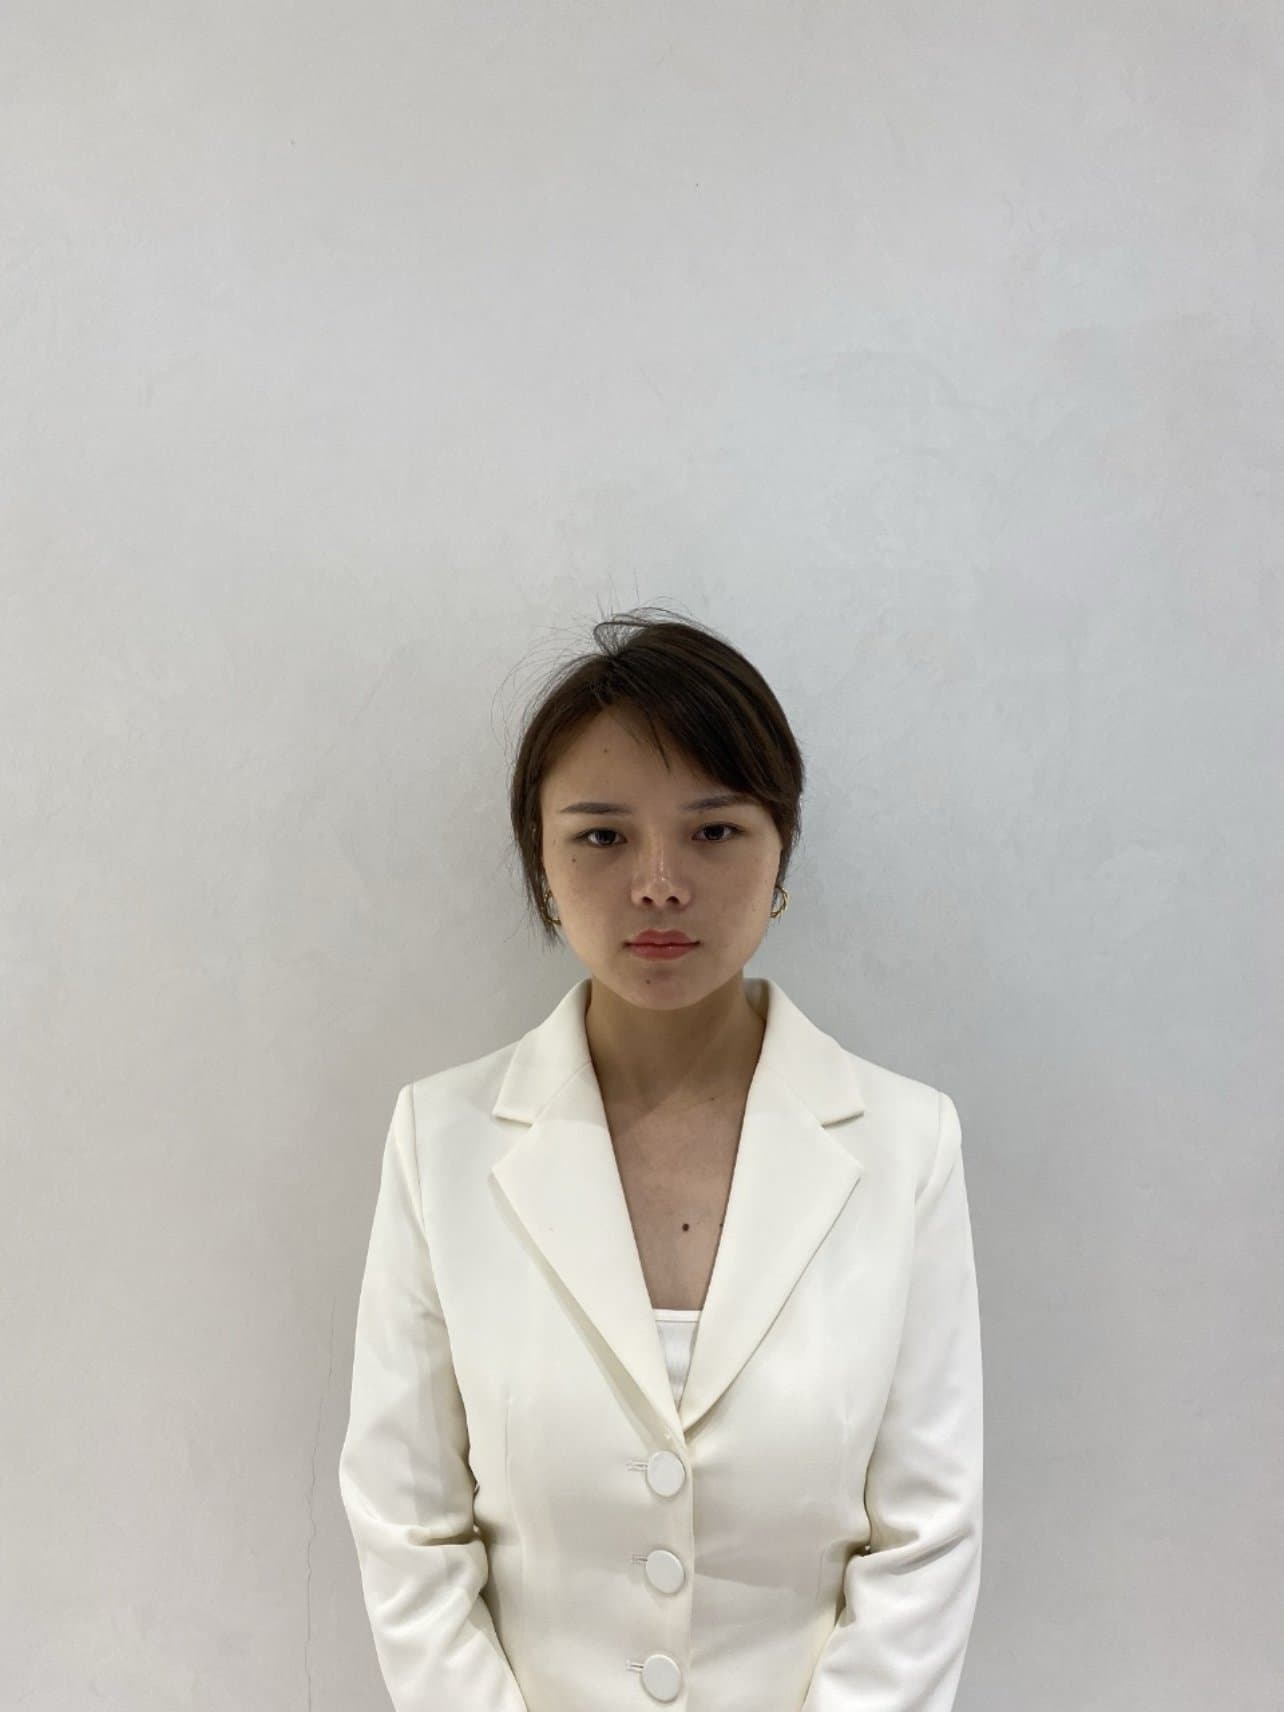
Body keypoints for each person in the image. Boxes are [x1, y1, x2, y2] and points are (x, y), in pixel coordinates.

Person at [337, 607, 984, 1711]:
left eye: (713, 830)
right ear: (542, 864)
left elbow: (924, 1536)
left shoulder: (904, 1142)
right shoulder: (440, 1140)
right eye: (602, 836)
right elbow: (411, 1526)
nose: (658, 883)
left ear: (780, 849)